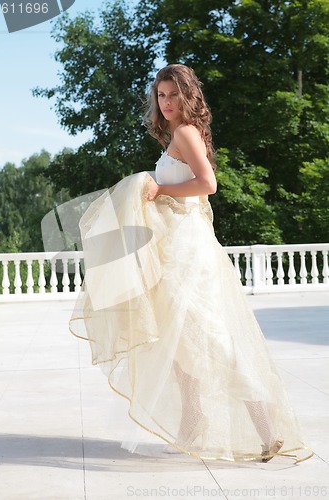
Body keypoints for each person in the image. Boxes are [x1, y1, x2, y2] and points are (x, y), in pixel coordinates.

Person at [70, 64, 313, 463]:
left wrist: (159, 187)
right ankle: (193, 421)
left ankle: (267, 428)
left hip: (188, 249)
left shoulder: (185, 133)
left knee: (209, 335)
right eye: (160, 95)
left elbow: (207, 184)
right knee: (179, 336)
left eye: (172, 95)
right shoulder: (179, 134)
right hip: (177, 242)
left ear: (188, 96)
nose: (165, 103)